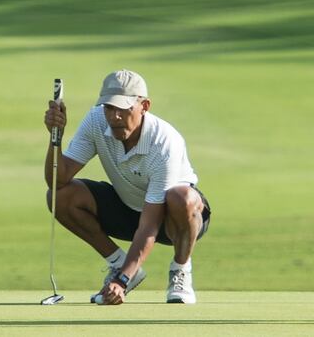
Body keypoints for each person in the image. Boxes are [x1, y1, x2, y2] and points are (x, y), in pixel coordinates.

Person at [43, 69, 211, 305]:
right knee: (59, 196)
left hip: (174, 219)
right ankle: (118, 263)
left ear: (145, 106)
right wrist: (55, 137)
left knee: (182, 197)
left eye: (124, 108)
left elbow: (150, 224)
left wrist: (122, 281)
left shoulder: (164, 142)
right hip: (129, 206)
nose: (115, 116)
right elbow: (57, 180)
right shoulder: (96, 121)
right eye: (109, 108)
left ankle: (181, 270)